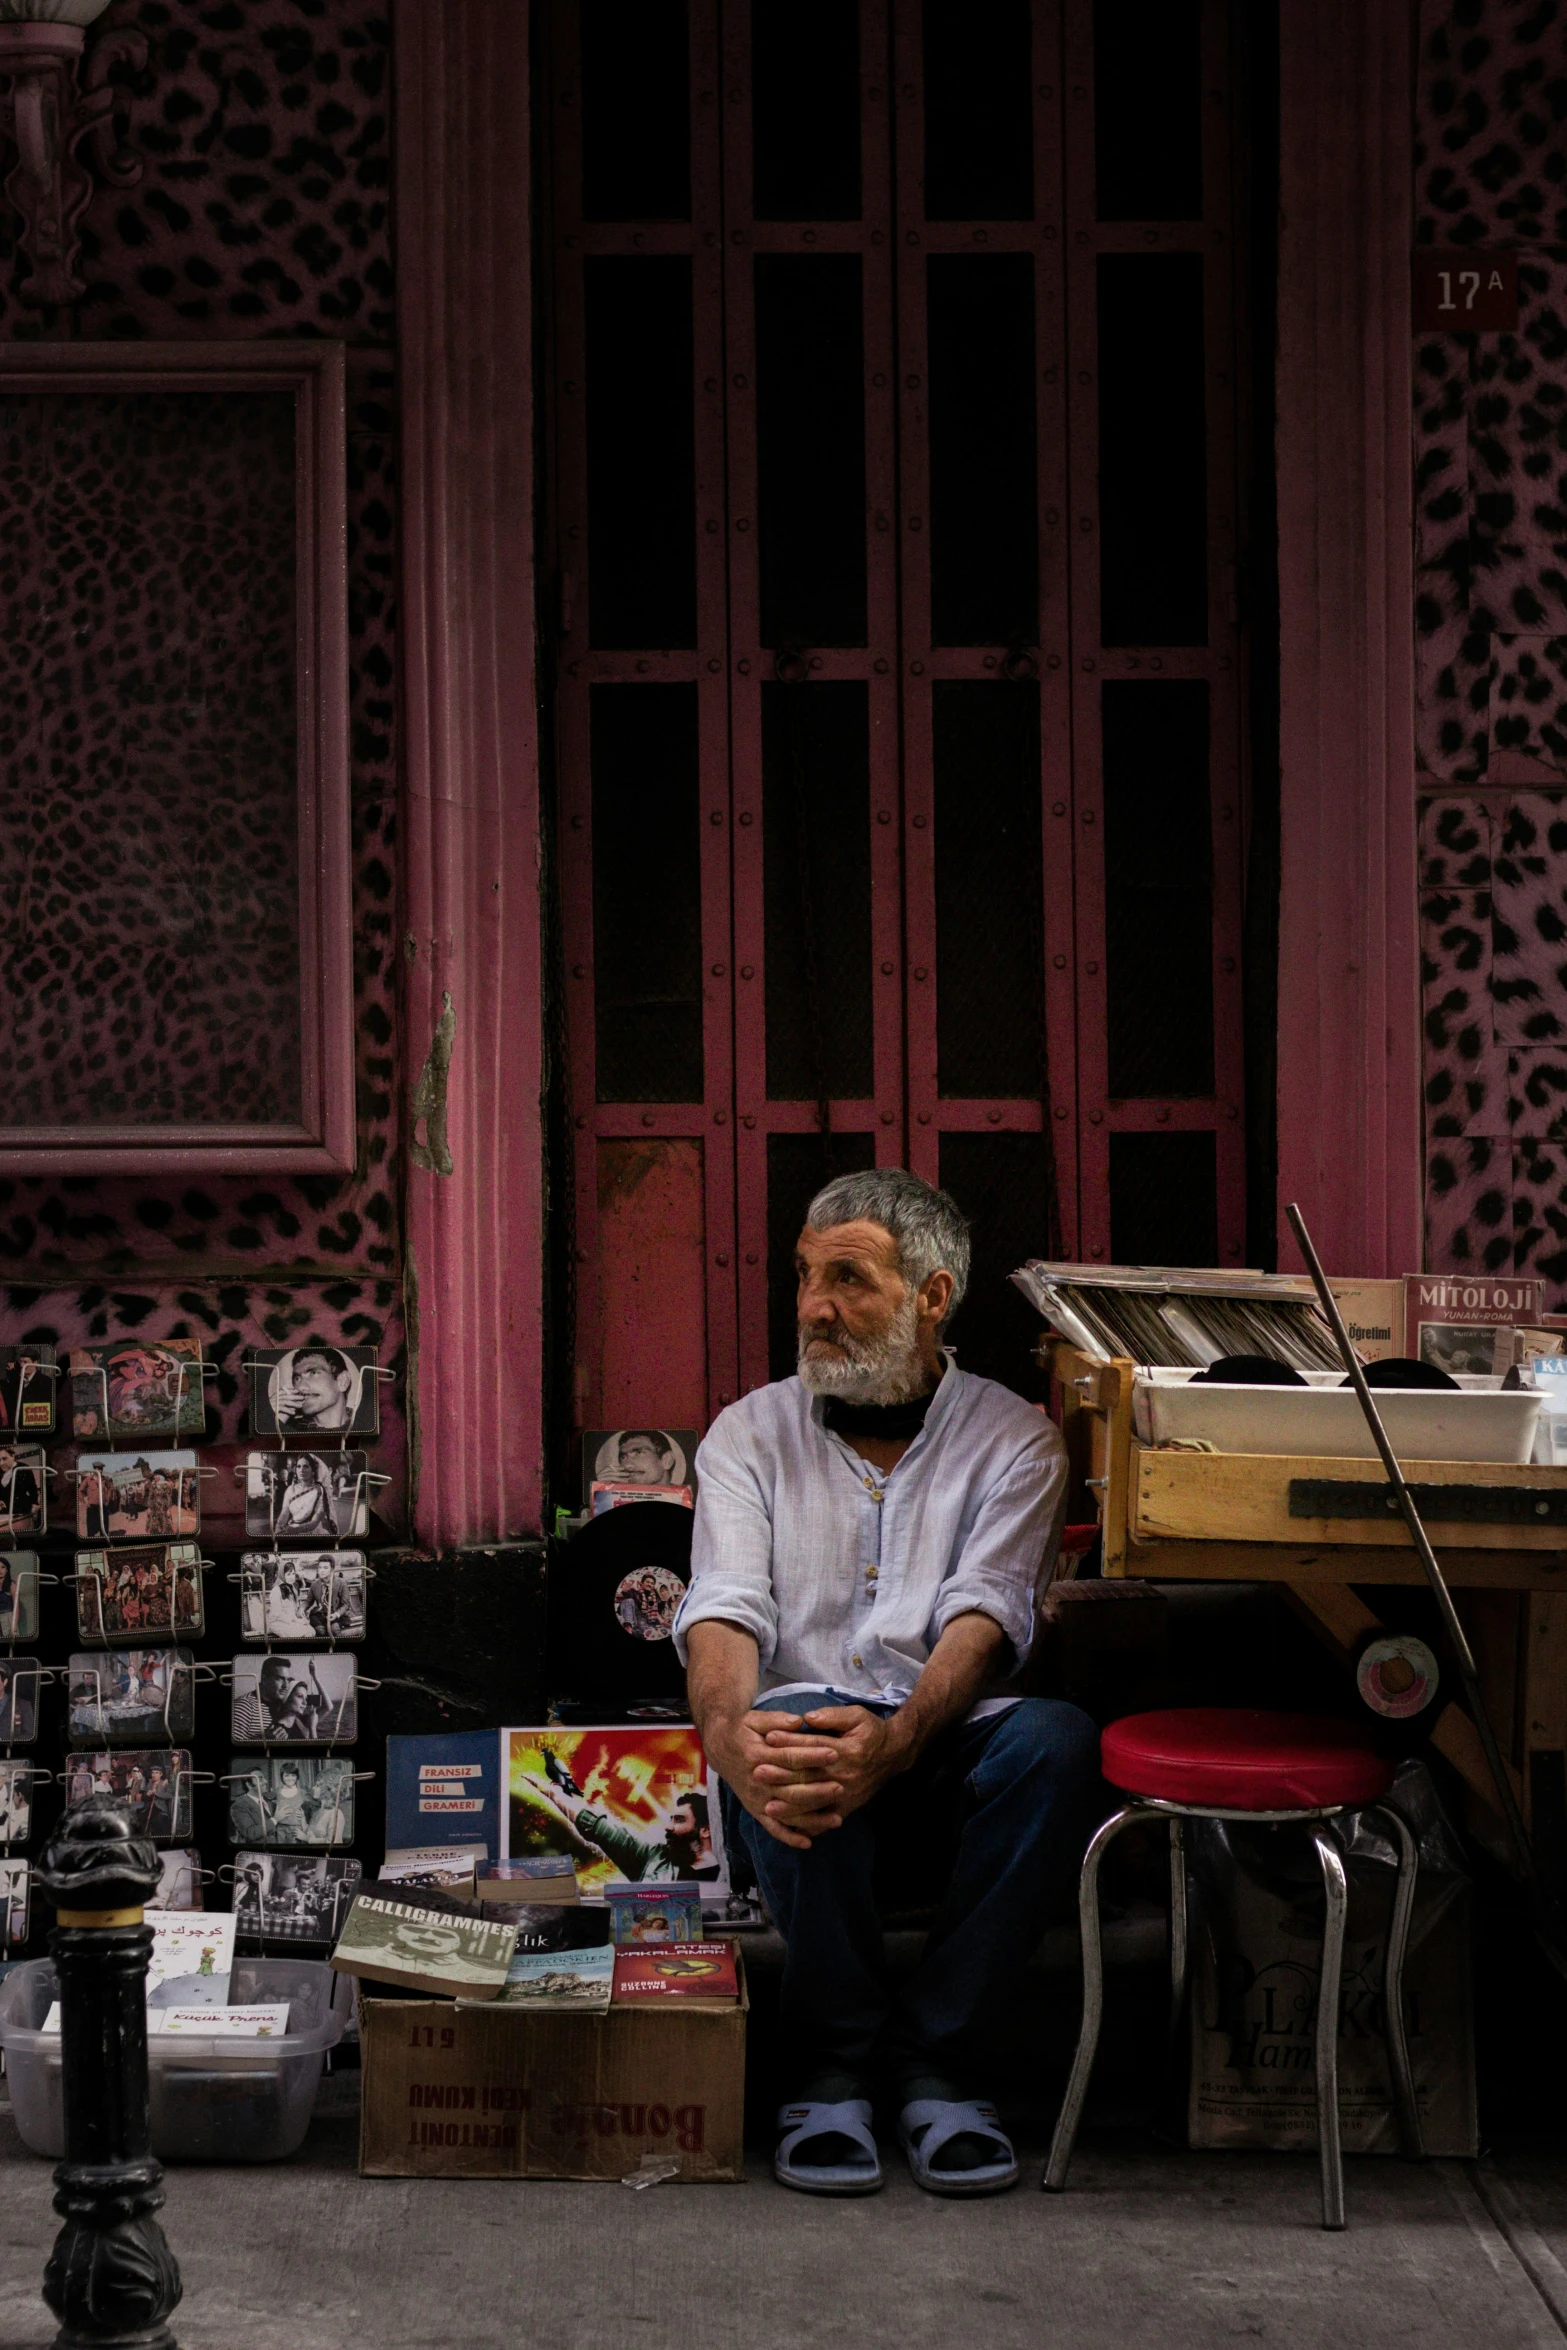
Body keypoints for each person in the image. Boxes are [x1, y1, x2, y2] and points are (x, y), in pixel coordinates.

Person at [675, 1167, 1099, 2199]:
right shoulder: (748, 1433)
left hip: (943, 1745)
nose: (815, 1305)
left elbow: (983, 1617)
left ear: (932, 1295)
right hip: (808, 1749)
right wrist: (725, 1738)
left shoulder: (1012, 1438)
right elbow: (725, 1606)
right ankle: (830, 2059)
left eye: (849, 1279)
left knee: (1054, 1741)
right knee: (786, 1730)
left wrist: (900, 1738)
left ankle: (937, 2056)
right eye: (806, 1276)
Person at [276, 1345, 358, 1433]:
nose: (300, 1387)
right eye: (297, 1379)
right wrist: (276, 1421)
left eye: (313, 1373)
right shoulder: (290, 1430)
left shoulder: (368, 1421)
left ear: (343, 1381)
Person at [611, 1429, 681, 1487]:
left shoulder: (685, 1498)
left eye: (639, 1453)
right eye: (623, 1457)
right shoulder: (611, 1497)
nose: (627, 1465)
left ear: (667, 1460)